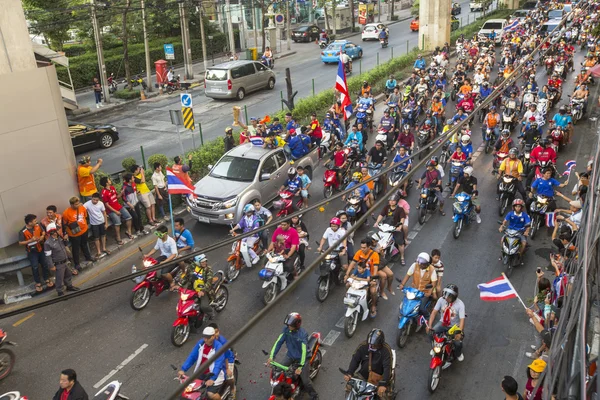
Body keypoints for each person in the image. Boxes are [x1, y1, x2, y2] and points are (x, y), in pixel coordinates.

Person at [267, 313, 319, 400]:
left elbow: (303, 352)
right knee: (279, 370)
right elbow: (278, 342)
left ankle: (314, 395)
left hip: (303, 359)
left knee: (306, 382)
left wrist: (301, 366)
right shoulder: (286, 330)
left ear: (296, 325)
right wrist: (272, 356)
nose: (288, 326)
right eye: (287, 325)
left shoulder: (303, 334)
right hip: (291, 355)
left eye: (290, 325)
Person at [179, 326, 226, 400]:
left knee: (210, 394)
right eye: (204, 337)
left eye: (208, 337)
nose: (205, 339)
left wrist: (212, 379)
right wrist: (183, 369)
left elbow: (218, 364)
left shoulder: (218, 347)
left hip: (213, 375)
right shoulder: (201, 343)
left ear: (213, 336)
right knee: (191, 389)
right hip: (201, 372)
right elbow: (192, 356)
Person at [344, 329, 393, 399]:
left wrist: (383, 384)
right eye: (370, 345)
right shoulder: (363, 346)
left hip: (378, 379)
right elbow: (355, 360)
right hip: (363, 375)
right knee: (349, 386)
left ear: (380, 344)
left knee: (384, 396)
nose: (372, 347)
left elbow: (387, 368)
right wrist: (350, 373)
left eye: (374, 345)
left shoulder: (386, 350)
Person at [426, 284, 466, 367]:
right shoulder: (441, 300)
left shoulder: (460, 304)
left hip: (454, 326)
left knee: (457, 343)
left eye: (449, 297)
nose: (446, 298)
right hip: (443, 323)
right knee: (431, 333)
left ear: (454, 297)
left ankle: (458, 354)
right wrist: (429, 326)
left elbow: (462, 320)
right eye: (445, 295)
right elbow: (434, 313)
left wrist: (459, 332)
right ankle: (434, 347)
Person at [345, 239, 380, 317]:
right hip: (359, 276)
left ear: (369, 247)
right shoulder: (359, 253)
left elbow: (375, 268)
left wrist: (373, 279)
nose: (362, 249)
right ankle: (349, 300)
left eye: (364, 248)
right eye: (361, 247)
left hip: (370, 276)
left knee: (373, 291)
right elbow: (353, 263)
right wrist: (347, 274)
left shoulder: (375, 255)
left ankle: (373, 306)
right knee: (347, 285)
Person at [44, 223, 79, 296]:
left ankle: (69, 286)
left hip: (65, 261)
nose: (58, 230)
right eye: (57, 229)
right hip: (58, 263)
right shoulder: (48, 243)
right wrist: (51, 266)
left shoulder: (59, 237)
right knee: (59, 278)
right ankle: (60, 291)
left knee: (68, 274)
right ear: (52, 231)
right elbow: (48, 256)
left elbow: (65, 245)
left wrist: (65, 239)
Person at [398, 252, 437, 318]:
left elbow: (433, 282)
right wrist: (402, 284)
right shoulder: (415, 265)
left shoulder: (432, 269)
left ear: (426, 264)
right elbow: (408, 275)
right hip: (414, 290)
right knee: (406, 302)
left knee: (421, 308)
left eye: (421, 264)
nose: (419, 265)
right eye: (419, 263)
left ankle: (427, 316)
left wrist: (429, 292)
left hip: (424, 292)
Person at [19, 213, 51, 292]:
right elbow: (20, 243)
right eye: (34, 221)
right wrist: (30, 240)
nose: (36, 222)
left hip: (41, 248)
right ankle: (38, 282)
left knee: (45, 264)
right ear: (29, 223)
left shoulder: (37, 225)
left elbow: (43, 232)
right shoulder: (23, 231)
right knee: (35, 267)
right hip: (32, 252)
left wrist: (42, 237)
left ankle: (46, 278)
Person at [63, 197, 96, 272]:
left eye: (78, 203)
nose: (78, 205)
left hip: (84, 230)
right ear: (71, 204)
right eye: (76, 204)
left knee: (84, 244)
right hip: (74, 234)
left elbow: (85, 216)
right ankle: (77, 264)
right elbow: (64, 224)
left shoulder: (82, 208)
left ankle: (88, 257)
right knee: (76, 248)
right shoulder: (66, 213)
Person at [373, 194, 406, 265]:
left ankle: (402, 257)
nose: (391, 202)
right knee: (377, 239)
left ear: (396, 201)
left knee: (400, 243)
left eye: (393, 201)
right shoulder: (386, 207)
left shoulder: (400, 209)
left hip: (395, 228)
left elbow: (402, 219)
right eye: (390, 200)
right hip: (386, 228)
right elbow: (381, 215)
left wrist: (399, 227)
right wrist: (377, 222)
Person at [100, 176, 133, 244]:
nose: (110, 180)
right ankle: (118, 238)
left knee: (129, 217)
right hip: (111, 210)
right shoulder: (104, 192)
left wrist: (121, 193)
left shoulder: (112, 188)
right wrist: (116, 212)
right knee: (117, 223)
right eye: (109, 180)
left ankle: (128, 232)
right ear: (106, 183)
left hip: (118, 206)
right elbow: (107, 205)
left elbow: (117, 197)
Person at [83, 193, 109, 258]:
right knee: (96, 238)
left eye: (96, 200)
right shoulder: (87, 204)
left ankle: (104, 248)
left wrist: (106, 223)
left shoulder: (101, 203)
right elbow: (82, 210)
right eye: (94, 200)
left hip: (101, 221)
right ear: (91, 198)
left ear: (99, 200)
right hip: (94, 224)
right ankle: (98, 251)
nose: (95, 201)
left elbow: (104, 213)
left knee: (103, 235)